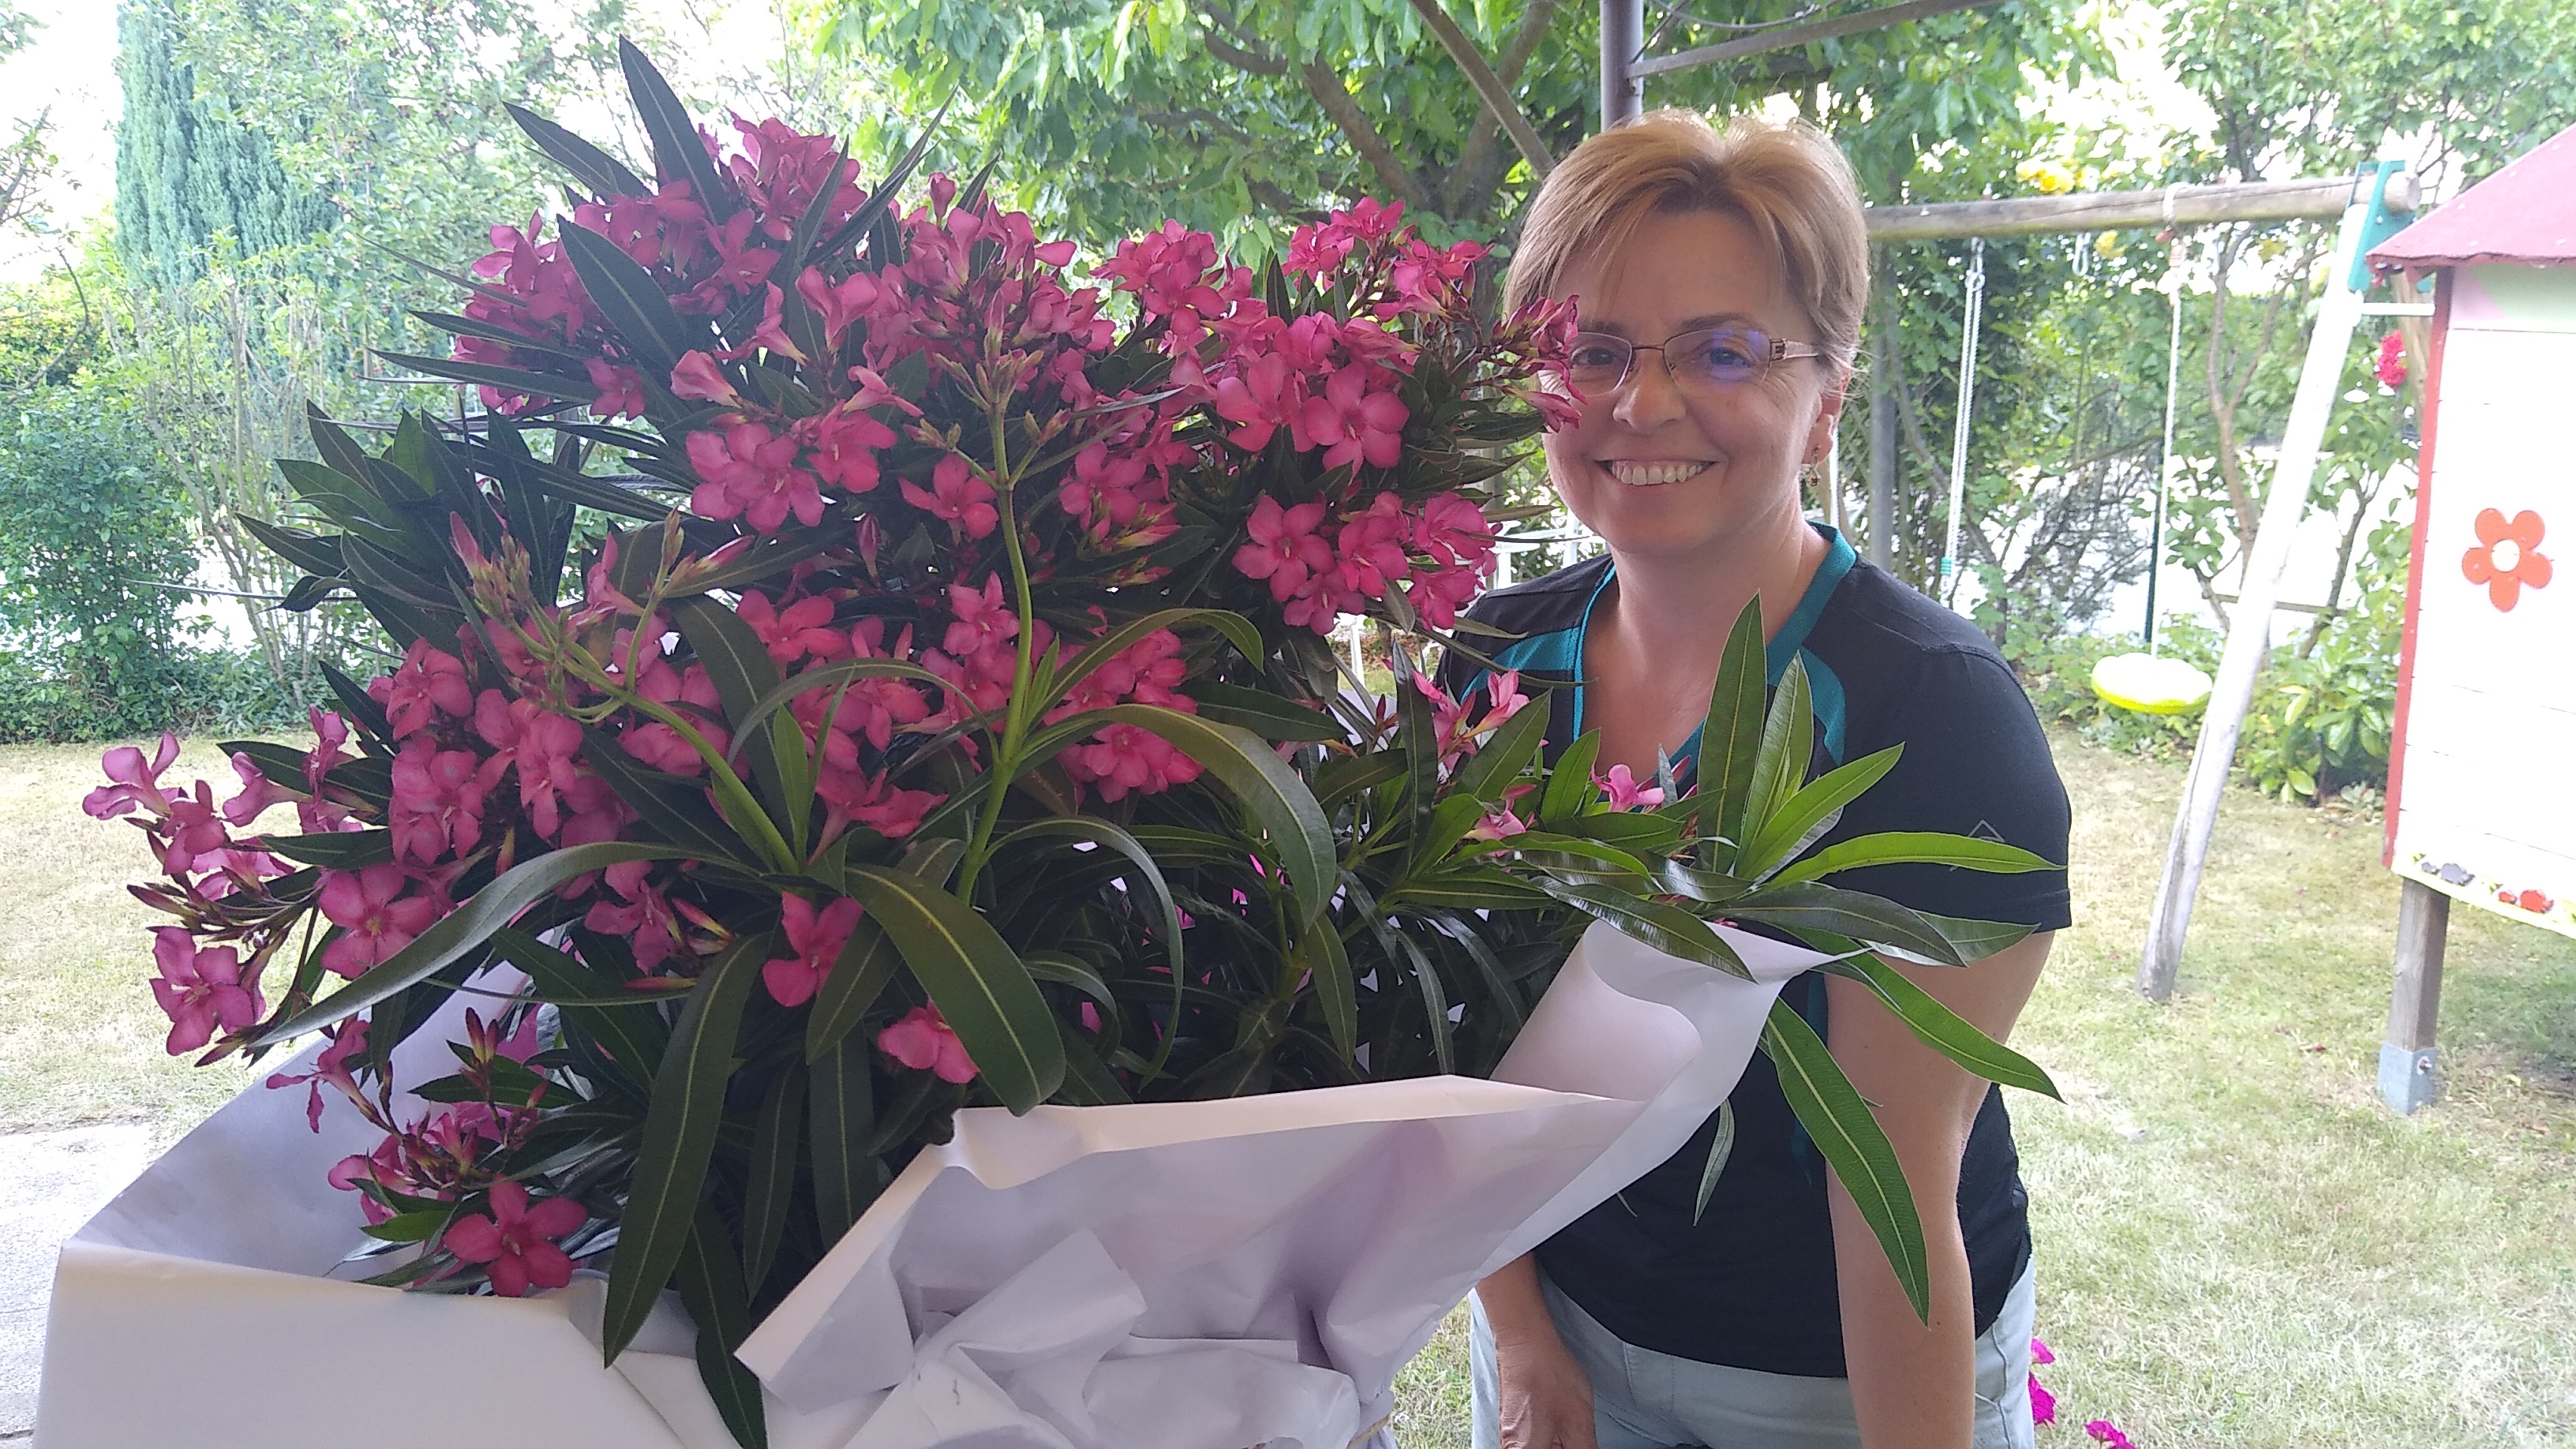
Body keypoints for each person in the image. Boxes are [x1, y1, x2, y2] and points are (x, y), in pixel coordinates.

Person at [1443, 110, 2072, 1449]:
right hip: (1562, 1316)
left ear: (1828, 394)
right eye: (1593, 351)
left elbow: (1889, 1186)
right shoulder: (1492, 663)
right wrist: (1521, 1331)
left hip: (1830, 1375)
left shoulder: (1931, 720)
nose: (1640, 404)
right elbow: (1457, 1036)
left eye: (1722, 350)